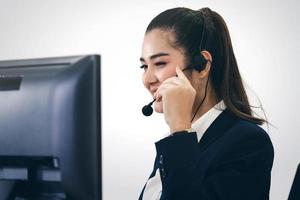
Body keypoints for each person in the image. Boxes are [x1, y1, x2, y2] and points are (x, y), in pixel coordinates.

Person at [138, 7, 274, 200]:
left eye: (159, 63)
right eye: (144, 66)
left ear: (202, 65)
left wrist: (179, 130)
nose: (147, 79)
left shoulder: (247, 142)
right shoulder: (179, 139)